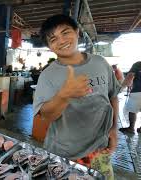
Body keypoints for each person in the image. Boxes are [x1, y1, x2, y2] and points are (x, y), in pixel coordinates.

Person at [33, 14, 120, 180]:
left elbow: (113, 96)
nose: (61, 40)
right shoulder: (47, 75)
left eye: (65, 32)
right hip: (64, 153)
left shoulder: (100, 62)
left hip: (100, 149)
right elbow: (45, 115)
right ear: (50, 47)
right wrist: (64, 95)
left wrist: (114, 128)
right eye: (53, 39)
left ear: (77, 32)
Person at [119, 61, 141, 134]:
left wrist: (121, 88)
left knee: (133, 110)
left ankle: (131, 128)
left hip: (137, 91)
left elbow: (130, 76)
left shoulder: (138, 64)